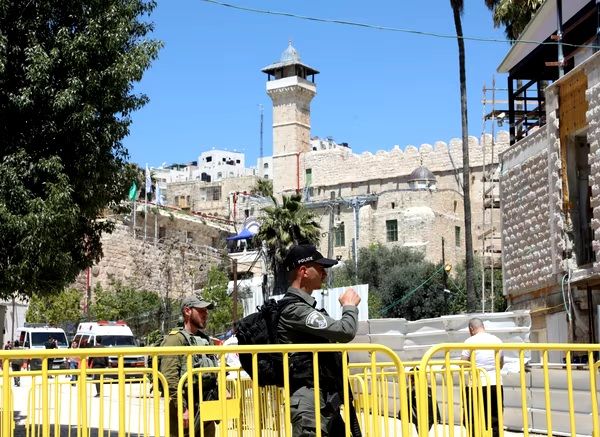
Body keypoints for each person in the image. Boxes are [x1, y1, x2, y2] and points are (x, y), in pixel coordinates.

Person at [277, 243, 361, 437]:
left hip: (324, 399)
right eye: (320, 268)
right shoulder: (294, 309)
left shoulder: (305, 307)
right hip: (309, 402)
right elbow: (345, 331)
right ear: (304, 271)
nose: (324, 273)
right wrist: (349, 306)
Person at [160, 296, 218, 437]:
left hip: (206, 406)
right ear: (187, 311)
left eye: (206, 310)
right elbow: (169, 378)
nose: (206, 314)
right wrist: (182, 408)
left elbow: (215, 368)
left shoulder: (205, 340)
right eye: (201, 310)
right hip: (185, 409)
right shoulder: (175, 339)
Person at [460, 318, 504, 437]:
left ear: (471, 329)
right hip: (495, 382)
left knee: (472, 418)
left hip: (476, 384)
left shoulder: (470, 341)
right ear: (483, 326)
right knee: (495, 418)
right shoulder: (497, 340)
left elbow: (463, 363)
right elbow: (500, 363)